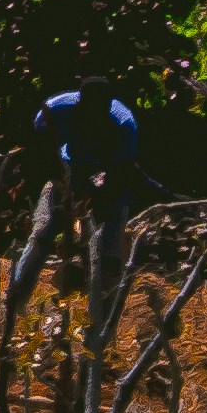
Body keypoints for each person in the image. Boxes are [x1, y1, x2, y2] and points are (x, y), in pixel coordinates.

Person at [20, 77, 146, 314]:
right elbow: (38, 155)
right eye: (88, 111)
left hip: (108, 175)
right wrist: (62, 187)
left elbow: (120, 176)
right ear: (80, 102)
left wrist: (92, 202)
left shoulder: (123, 124)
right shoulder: (54, 111)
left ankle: (102, 317)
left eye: (99, 113)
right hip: (66, 171)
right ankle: (14, 302)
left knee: (108, 252)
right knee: (42, 237)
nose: (93, 118)